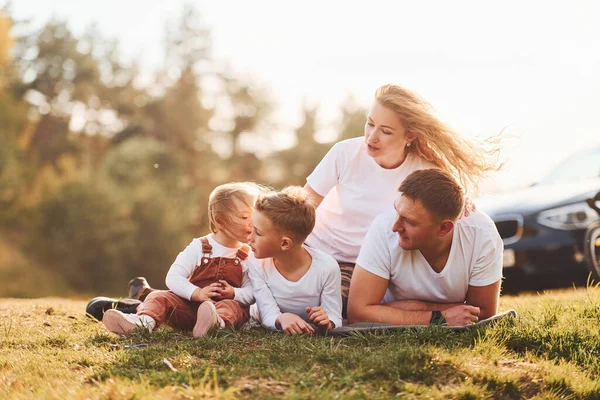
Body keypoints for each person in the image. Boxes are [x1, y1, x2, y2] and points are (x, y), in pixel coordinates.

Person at [303, 84, 501, 316]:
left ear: (410, 136)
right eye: (370, 123)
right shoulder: (344, 153)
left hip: (361, 265)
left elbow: (447, 201)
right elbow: (303, 205)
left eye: (386, 131)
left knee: (333, 306)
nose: (372, 137)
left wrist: (462, 197)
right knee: (290, 292)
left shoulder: (425, 170)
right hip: (314, 250)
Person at [102, 182, 261, 337]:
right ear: (219, 221)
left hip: (223, 310)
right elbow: (173, 277)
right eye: (244, 216)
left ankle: (215, 325)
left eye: (254, 216)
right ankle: (143, 322)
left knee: (232, 307)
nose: (252, 222)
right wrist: (197, 293)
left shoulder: (248, 255)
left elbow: (252, 293)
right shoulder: (200, 247)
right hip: (188, 309)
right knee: (158, 296)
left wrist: (234, 292)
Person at [347, 169, 503, 326]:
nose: (395, 227)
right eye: (397, 211)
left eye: (409, 221)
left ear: (443, 229)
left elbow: (482, 312)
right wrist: (439, 317)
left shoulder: (482, 234)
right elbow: (357, 312)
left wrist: (396, 309)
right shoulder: (383, 228)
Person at [247, 186, 342, 335]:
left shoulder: (327, 267)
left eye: (258, 233)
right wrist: (281, 319)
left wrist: (327, 322)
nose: (249, 238)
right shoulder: (255, 263)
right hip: (260, 317)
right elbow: (267, 312)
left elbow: (335, 315)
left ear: (285, 243)